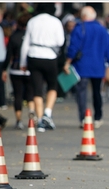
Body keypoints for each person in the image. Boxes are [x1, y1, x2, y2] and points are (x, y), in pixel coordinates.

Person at [63, 6, 109, 129]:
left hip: (81, 66)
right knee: (97, 92)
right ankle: (98, 117)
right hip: (98, 67)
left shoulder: (79, 29)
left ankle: (84, 118)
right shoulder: (103, 30)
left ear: (83, 16)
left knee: (81, 92)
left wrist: (67, 62)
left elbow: (73, 47)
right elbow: (108, 50)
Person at [20, 3, 65, 132]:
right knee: (52, 86)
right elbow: (60, 41)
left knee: (37, 88)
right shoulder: (56, 21)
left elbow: (25, 43)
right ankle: (48, 113)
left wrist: (23, 63)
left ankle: (40, 120)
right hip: (50, 56)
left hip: (34, 56)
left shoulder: (32, 21)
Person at [2, 12, 35, 130]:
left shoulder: (14, 36)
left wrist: (4, 69)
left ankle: (19, 120)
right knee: (31, 93)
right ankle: (32, 114)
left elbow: (8, 55)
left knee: (18, 95)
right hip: (30, 69)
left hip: (16, 69)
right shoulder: (32, 36)